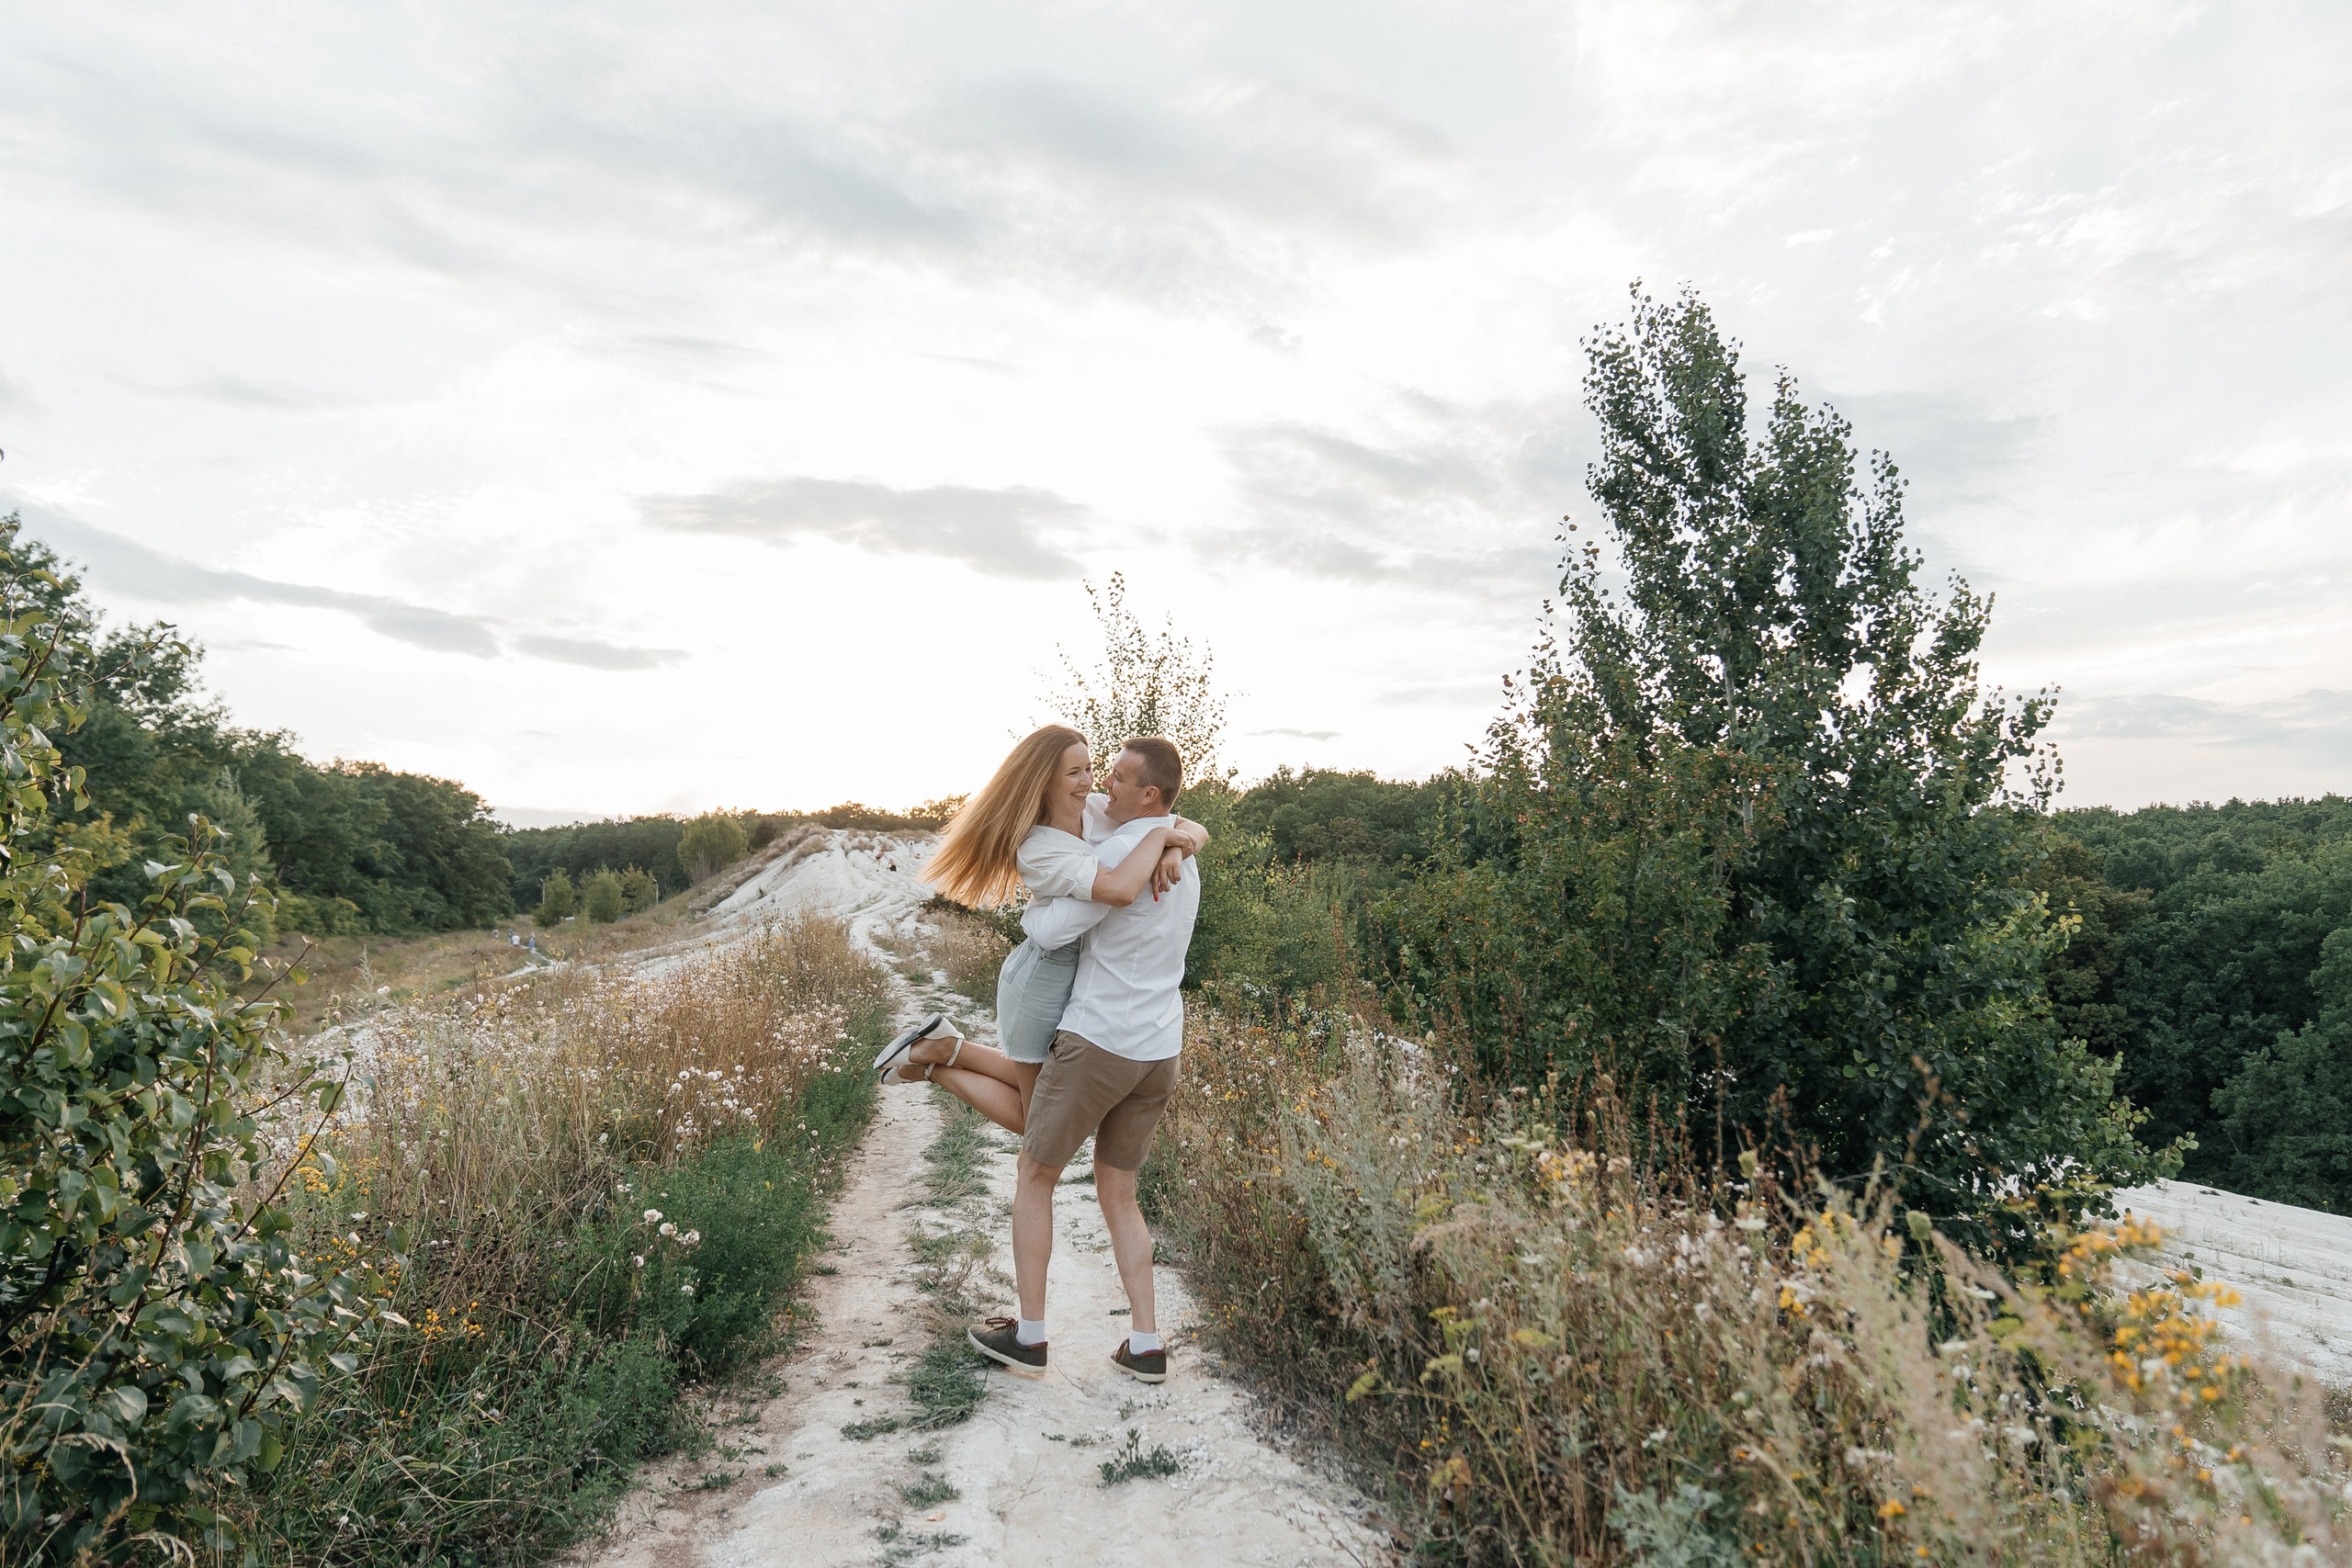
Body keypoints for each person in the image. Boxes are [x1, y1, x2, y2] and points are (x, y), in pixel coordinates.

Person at [965, 736, 1197, 1387]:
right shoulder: (1179, 854)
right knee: (1120, 1192)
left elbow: (1050, 931)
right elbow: (1168, 840)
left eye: (1118, 778)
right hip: (1160, 1048)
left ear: (1148, 794)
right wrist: (1177, 837)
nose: (1104, 788)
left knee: (1034, 1174)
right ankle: (1146, 1344)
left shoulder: (1123, 851)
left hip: (1101, 1040)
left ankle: (1030, 1335)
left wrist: (1037, 912)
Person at [871, 725, 1206, 1136]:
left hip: (1081, 978)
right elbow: (1114, 892)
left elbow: (1186, 823)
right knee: (1037, 1123)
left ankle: (945, 1046)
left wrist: (1173, 845)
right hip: (1041, 978)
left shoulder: (1098, 807)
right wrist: (1159, 840)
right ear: (1044, 781)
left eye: (1090, 768)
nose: (1090, 782)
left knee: (1050, 1092)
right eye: (1074, 774)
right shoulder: (1038, 846)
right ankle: (932, 1067)